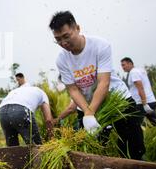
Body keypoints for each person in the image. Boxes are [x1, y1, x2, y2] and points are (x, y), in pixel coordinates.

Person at [49, 11, 145, 160]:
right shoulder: (62, 59)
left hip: (118, 101)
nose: (63, 43)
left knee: (133, 147)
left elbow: (104, 82)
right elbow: (73, 89)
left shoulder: (100, 45)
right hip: (86, 105)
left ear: (77, 28)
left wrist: (89, 113)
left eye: (66, 36)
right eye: (58, 40)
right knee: (92, 152)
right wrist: (87, 112)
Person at [121, 57, 156, 125]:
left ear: (130, 63)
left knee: (136, 125)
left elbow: (140, 88)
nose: (122, 67)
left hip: (142, 103)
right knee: (155, 124)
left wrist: (144, 104)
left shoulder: (133, 72)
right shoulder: (140, 70)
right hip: (150, 101)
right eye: (122, 65)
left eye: (124, 65)